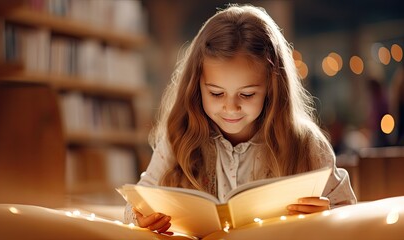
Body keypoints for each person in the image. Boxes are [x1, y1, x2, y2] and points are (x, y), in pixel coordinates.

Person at [124, 4, 357, 234]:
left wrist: (327, 215)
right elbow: (135, 204)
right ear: (197, 87)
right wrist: (141, 217)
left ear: (272, 88)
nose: (231, 107)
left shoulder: (305, 143)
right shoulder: (179, 138)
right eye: (216, 93)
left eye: (247, 94)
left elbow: (349, 213)